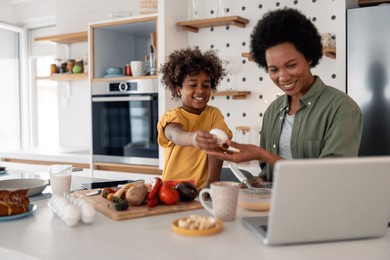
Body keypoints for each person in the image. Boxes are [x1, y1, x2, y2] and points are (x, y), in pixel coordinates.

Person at [208, 8, 363, 182]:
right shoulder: (272, 112)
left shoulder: (342, 109)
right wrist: (257, 183)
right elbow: (268, 174)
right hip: (277, 206)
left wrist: (262, 154)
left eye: (291, 65)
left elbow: (332, 176)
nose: (283, 77)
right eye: (274, 69)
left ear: (309, 58)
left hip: (322, 207)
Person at [157, 46, 233, 188]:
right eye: (192, 85)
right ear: (179, 90)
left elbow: (219, 146)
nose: (200, 90)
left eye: (206, 85)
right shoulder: (173, 116)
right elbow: (174, 134)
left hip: (201, 190)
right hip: (172, 190)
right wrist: (192, 138)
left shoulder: (213, 114)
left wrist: (211, 184)